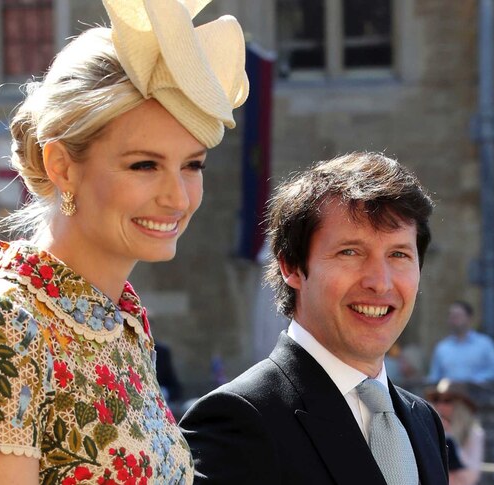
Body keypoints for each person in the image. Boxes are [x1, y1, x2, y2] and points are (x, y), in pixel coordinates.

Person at [0, 1, 249, 484]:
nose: (177, 196)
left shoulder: (120, 322)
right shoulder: (4, 326)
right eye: (144, 165)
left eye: (192, 165)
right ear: (62, 167)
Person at [180, 152, 449, 484]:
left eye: (398, 254)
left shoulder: (424, 423)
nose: (380, 282)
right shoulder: (239, 419)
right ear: (291, 267)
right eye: (350, 252)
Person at [426, 379, 484, 485]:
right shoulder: (427, 429)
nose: (440, 405)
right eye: (436, 399)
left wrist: (450, 437)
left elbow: (472, 476)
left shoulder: (473, 432)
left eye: (447, 400)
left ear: (460, 405)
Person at [427, 301, 494, 384]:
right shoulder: (442, 347)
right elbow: (434, 376)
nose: (453, 319)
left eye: (457, 316)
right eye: (451, 316)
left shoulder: (485, 344)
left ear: (469, 318)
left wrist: (474, 382)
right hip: (449, 395)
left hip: (478, 394)